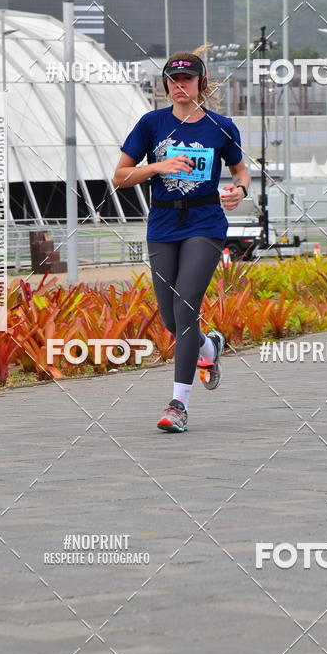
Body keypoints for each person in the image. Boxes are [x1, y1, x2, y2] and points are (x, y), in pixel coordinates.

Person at [112, 49, 251, 433]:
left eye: (187, 79)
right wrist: (158, 166)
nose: (179, 86)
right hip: (163, 224)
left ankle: (178, 405)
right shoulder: (151, 124)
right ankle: (209, 347)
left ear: (201, 84)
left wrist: (240, 190)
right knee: (171, 318)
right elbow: (120, 177)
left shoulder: (221, 127)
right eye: (173, 80)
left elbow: (241, 171)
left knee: (186, 307)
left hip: (205, 224)